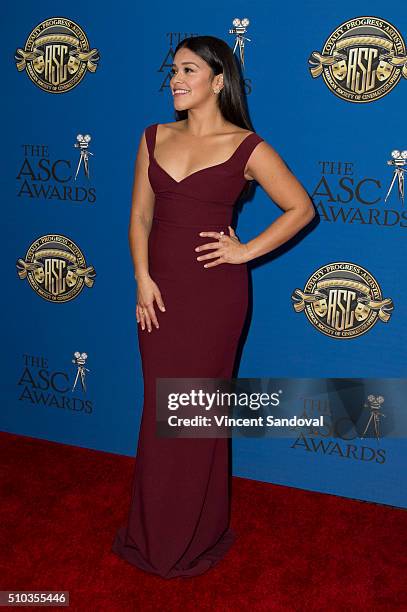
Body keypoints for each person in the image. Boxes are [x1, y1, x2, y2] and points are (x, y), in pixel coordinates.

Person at [111, 35, 315, 579]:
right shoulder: (153, 137)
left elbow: (301, 208)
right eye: (172, 71)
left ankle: (193, 535)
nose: (175, 80)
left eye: (188, 70)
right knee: (160, 412)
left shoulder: (247, 146)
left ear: (218, 80)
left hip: (214, 298)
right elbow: (139, 217)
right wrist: (141, 278)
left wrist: (246, 250)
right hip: (159, 295)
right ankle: (154, 531)